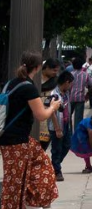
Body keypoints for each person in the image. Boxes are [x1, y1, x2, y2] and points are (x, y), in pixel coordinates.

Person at [1, 51, 63, 209]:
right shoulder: (28, 88)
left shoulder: (10, 84)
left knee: (41, 170)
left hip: (18, 140)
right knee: (14, 182)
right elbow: (41, 115)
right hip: (17, 142)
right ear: (37, 67)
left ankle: (34, 201)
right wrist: (53, 107)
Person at [49, 71, 74, 182]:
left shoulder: (66, 93)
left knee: (67, 145)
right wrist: (57, 128)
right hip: (57, 125)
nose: (71, 86)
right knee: (57, 148)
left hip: (66, 123)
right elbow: (52, 112)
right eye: (70, 83)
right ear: (66, 82)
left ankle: (55, 164)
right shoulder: (54, 94)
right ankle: (57, 170)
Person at [69, 56, 91, 130]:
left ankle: (69, 133)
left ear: (73, 65)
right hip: (80, 98)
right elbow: (91, 85)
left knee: (68, 116)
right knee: (78, 118)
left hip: (70, 98)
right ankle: (77, 135)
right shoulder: (86, 74)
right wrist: (87, 95)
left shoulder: (69, 75)